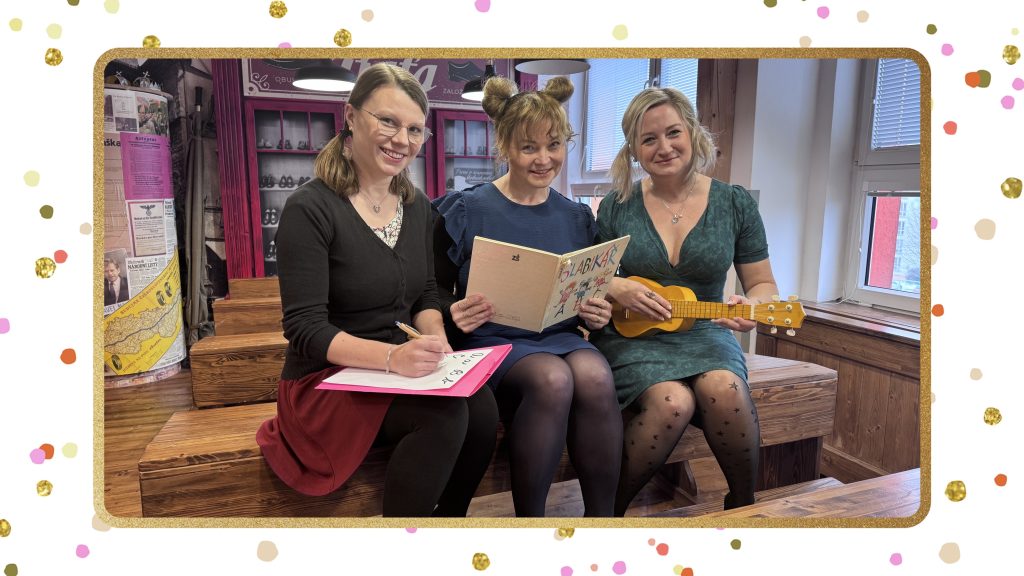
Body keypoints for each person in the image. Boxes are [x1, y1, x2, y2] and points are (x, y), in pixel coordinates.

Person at [255, 63, 498, 518]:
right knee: (443, 416)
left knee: (483, 408)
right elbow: (306, 330)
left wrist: (437, 340)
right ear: (350, 116)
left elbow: (426, 293)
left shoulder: (417, 206)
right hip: (325, 382)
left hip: (395, 370)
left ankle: (448, 523)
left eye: (414, 129)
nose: (401, 140)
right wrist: (392, 359)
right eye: (387, 121)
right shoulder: (310, 208)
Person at [433, 76, 622, 517]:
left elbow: (587, 294)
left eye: (554, 145)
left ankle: (604, 522)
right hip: (493, 341)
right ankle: (530, 525)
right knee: (552, 379)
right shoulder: (468, 208)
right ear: (505, 147)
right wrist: (452, 311)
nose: (544, 159)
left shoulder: (576, 216)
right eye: (528, 147)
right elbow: (434, 289)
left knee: (596, 375)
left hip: (560, 336)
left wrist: (598, 313)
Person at [590, 87, 780, 515]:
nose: (664, 147)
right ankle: (605, 514)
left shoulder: (735, 203)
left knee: (725, 390)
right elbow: (592, 279)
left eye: (673, 132)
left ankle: (743, 509)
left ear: (693, 133)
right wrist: (616, 286)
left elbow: (763, 283)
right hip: (633, 336)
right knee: (672, 403)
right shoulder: (616, 207)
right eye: (649, 139)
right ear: (634, 150)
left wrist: (753, 307)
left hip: (706, 333)